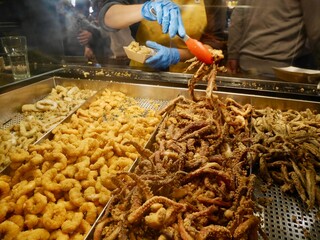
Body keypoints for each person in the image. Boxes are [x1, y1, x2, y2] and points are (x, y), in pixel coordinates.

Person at [98, 0, 228, 71]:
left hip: (189, 77)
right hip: (144, 73)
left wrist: (175, 55)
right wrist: (146, 9)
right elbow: (108, 17)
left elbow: (213, 49)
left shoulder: (213, 2)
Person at [227, 0, 320, 78]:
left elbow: (237, 16)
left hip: (246, 63)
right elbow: (316, 31)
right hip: (282, 69)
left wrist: (233, 54)